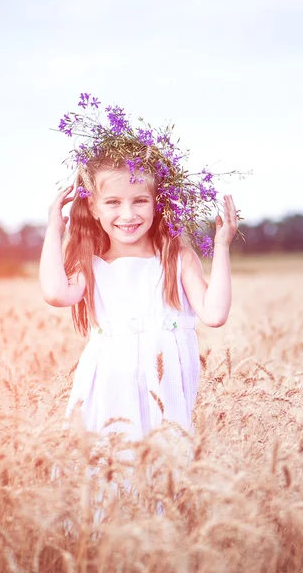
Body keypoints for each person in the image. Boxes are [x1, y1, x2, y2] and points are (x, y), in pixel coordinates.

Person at [39, 96, 240, 441]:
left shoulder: (177, 259)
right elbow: (56, 294)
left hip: (168, 396)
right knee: (111, 470)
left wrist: (221, 246)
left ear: (157, 204)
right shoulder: (93, 265)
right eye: (114, 203)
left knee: (164, 472)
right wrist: (55, 229)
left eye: (140, 201)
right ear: (95, 209)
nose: (128, 215)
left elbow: (215, 314)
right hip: (107, 391)